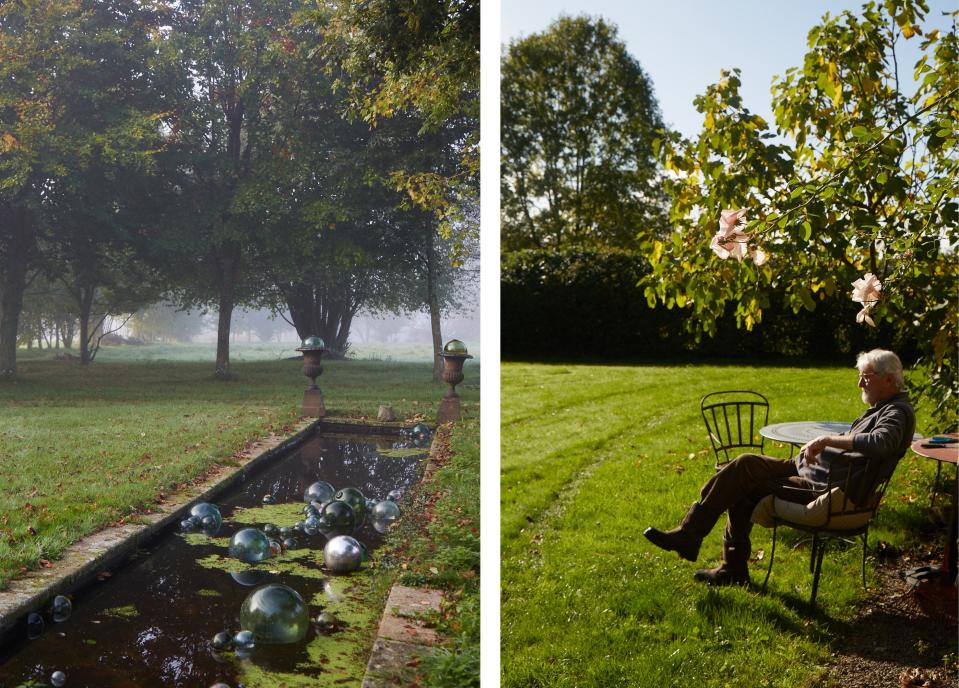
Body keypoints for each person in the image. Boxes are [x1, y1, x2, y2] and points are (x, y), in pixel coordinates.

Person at [643, 349, 916, 586]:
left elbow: (881, 443)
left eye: (866, 377)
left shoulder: (897, 412)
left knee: (743, 486)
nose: (859, 384)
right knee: (744, 463)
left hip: (825, 489)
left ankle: (718, 557)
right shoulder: (884, 407)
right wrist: (815, 448)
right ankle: (695, 539)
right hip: (810, 472)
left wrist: (827, 439)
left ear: (889, 379)